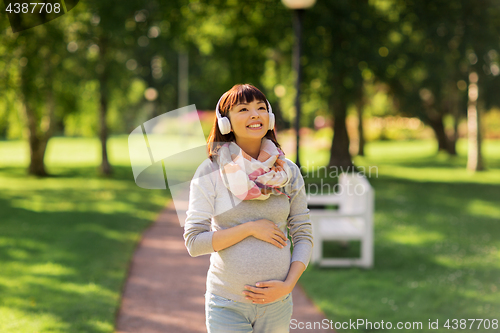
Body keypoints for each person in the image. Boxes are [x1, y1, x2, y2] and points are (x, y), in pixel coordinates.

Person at [183, 83, 313, 333]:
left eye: (261, 108)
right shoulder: (210, 171)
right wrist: (251, 228)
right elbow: (194, 242)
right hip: (227, 305)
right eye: (243, 109)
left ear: (270, 117)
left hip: (278, 304)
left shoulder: (288, 172)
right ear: (225, 122)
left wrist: (288, 285)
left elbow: (303, 233)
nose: (255, 114)